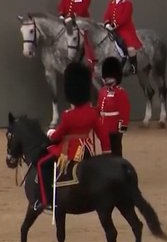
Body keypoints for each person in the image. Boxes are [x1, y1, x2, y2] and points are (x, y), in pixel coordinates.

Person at [35, 62, 111, 212]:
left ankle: (45, 201)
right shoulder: (92, 112)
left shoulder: (68, 116)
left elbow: (58, 135)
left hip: (70, 150)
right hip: (88, 149)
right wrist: (107, 153)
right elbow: (103, 135)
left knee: (41, 164)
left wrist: (50, 133)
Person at [103, 0, 142, 75]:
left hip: (125, 29)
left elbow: (125, 17)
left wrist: (114, 25)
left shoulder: (128, 3)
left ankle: (133, 65)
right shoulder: (111, 3)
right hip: (113, 29)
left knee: (130, 48)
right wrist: (107, 23)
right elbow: (107, 14)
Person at [97, 57, 130, 157]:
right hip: (103, 127)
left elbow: (125, 111)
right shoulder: (102, 91)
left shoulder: (120, 92)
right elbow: (99, 108)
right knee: (106, 152)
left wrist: (121, 129)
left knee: (116, 152)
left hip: (114, 128)